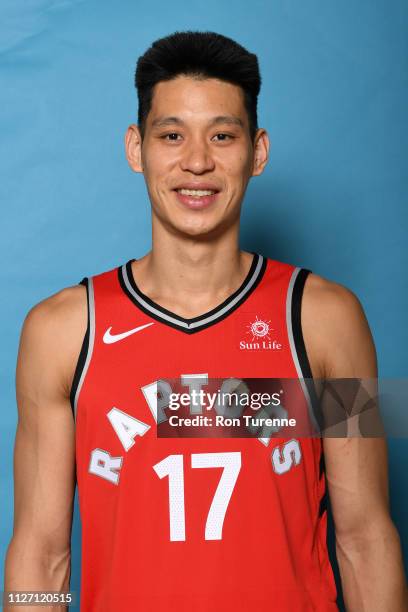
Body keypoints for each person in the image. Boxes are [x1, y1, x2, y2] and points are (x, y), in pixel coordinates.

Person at [4, 31, 407, 612]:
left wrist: (236, 405)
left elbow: (366, 537)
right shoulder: (62, 331)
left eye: (222, 135)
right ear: (136, 148)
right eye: (171, 136)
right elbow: (41, 553)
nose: (197, 161)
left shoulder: (326, 320)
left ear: (257, 152)